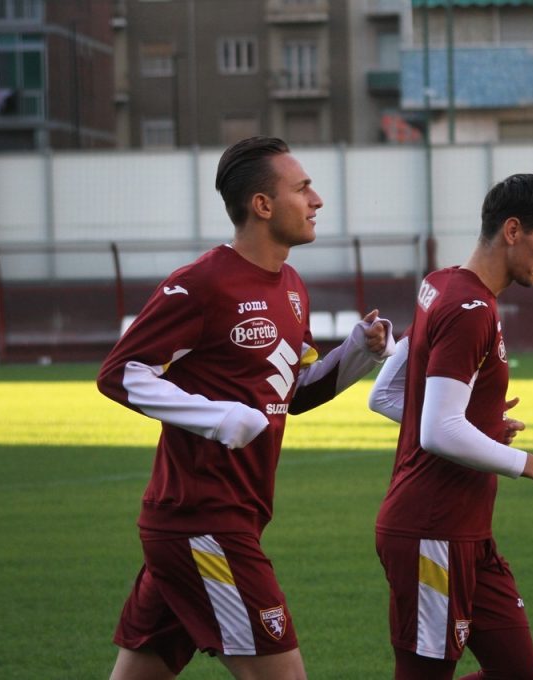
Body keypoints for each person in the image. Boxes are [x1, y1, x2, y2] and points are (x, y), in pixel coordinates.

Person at [96, 136, 394, 680]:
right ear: (262, 205)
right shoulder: (203, 282)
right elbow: (120, 373)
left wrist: (356, 354)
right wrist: (219, 417)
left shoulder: (292, 286)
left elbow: (292, 393)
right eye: (302, 188)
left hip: (211, 521)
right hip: (204, 521)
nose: (316, 200)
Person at [369, 174, 533, 680]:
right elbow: (438, 430)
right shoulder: (471, 311)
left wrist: (479, 428)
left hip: (468, 532)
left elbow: (386, 395)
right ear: (513, 230)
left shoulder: (440, 283)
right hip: (431, 530)